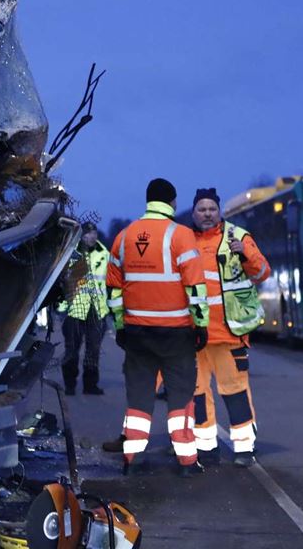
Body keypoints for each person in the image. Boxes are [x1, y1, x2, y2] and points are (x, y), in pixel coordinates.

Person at [106, 178, 210, 477]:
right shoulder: (181, 236)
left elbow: (113, 290)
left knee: (139, 397)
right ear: (172, 202)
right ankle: (187, 461)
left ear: (148, 200)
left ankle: (131, 459)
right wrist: (200, 325)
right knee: (180, 397)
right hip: (177, 332)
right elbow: (195, 287)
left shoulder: (124, 237)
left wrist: (121, 326)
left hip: (137, 333)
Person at [189, 188, 271, 468]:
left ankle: (244, 448)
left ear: (219, 211)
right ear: (193, 213)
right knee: (198, 394)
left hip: (228, 332)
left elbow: (262, 274)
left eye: (212, 208)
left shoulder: (238, 237)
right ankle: (206, 448)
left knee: (234, 391)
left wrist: (246, 254)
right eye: (202, 209)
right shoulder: (185, 240)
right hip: (195, 334)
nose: (207, 214)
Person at [57, 221, 111, 395]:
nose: (92, 236)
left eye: (94, 233)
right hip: (74, 310)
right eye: (88, 233)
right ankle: (70, 385)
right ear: (81, 236)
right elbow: (63, 281)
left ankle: (90, 385)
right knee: (72, 350)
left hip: (97, 309)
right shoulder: (72, 254)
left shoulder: (105, 255)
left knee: (93, 351)